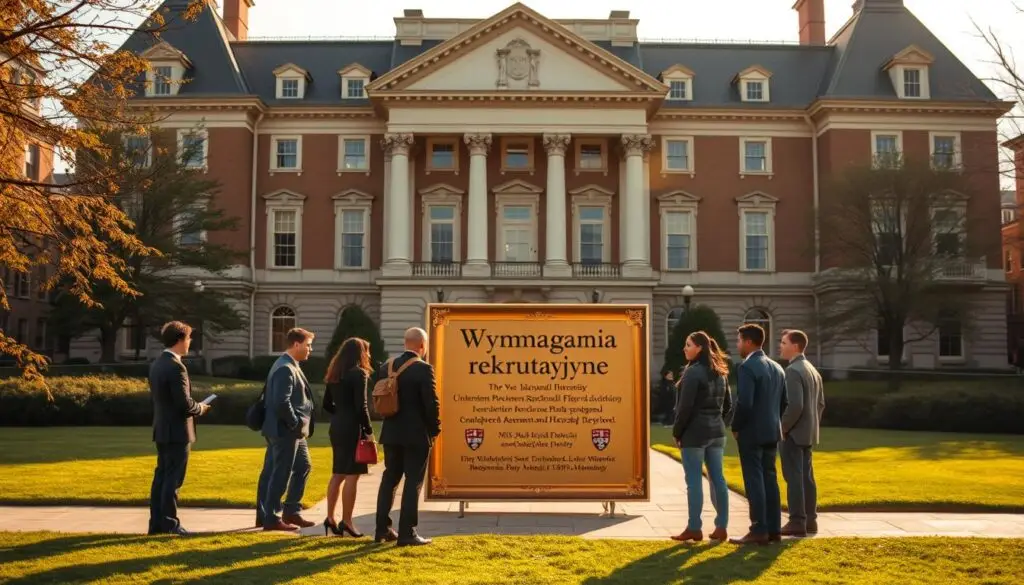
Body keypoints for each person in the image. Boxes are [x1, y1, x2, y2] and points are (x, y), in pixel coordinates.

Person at [375, 327, 440, 546]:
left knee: (389, 480)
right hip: (415, 435)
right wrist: (435, 430)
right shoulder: (423, 369)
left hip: (391, 433)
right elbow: (431, 404)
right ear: (422, 346)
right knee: (413, 483)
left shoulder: (386, 367)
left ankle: (382, 529)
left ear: (405, 343)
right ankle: (407, 533)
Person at [670, 331, 733, 543]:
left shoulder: (692, 373)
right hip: (716, 433)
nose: (684, 348)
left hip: (694, 434)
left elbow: (684, 408)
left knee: (694, 481)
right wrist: (718, 422)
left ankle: (694, 528)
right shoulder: (721, 373)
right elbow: (728, 406)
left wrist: (677, 432)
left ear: (699, 347)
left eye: (688, 344)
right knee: (718, 479)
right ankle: (721, 526)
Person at [148, 321, 209, 536]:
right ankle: (170, 524)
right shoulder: (176, 366)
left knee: (161, 478)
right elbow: (183, 404)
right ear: (181, 339)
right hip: (177, 431)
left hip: (162, 429)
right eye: (189, 338)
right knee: (173, 480)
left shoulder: (157, 363)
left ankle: (156, 524)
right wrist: (200, 408)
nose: (190, 343)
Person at [730, 323, 787, 545]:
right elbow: (785, 402)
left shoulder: (747, 367)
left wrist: (735, 426)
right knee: (770, 479)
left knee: (754, 480)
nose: (737, 345)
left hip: (751, 432)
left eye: (739, 340)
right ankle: (774, 529)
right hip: (772, 431)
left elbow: (744, 403)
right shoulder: (777, 368)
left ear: (749, 342)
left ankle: (758, 528)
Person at [257, 327, 316, 532]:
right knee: (280, 473)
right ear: (296, 344)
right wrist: (294, 423)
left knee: (303, 466)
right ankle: (272, 518)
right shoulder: (284, 367)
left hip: (290, 431)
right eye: (308, 345)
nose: (310, 349)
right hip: (285, 431)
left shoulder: (290, 365)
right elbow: (281, 401)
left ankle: (291, 510)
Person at [322, 337, 375, 537]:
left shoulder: (335, 374)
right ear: (360, 353)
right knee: (352, 475)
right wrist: (369, 432)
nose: (369, 355)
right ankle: (348, 521)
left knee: (338, 473)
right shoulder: (359, 374)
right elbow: (362, 407)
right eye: (367, 351)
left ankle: (330, 518)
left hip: (336, 426)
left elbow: (327, 404)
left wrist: (340, 413)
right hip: (352, 428)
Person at [778, 330, 825, 537]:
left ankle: (797, 521)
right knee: (807, 477)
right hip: (807, 433)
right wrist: (811, 426)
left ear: (795, 346)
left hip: (793, 435)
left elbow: (794, 405)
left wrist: (782, 429)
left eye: (783, 342)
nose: (780, 345)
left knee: (794, 477)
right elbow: (820, 404)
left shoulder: (793, 371)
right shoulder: (812, 369)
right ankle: (810, 520)